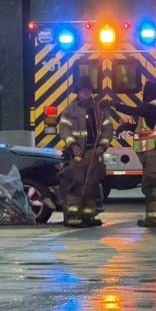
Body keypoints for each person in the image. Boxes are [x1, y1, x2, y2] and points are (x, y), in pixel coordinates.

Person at [106, 80, 156, 227]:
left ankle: (154, 219)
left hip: (153, 153)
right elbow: (143, 124)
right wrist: (126, 126)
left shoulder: (150, 107)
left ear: (150, 92)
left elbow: (134, 111)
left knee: (151, 187)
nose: (143, 93)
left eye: (145, 91)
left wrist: (114, 105)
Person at [58, 75, 114, 227]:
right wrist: (73, 146)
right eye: (83, 90)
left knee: (91, 184)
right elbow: (64, 129)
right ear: (78, 91)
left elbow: (108, 129)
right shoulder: (71, 110)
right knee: (76, 183)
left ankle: (88, 216)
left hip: (93, 152)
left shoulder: (99, 110)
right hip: (78, 152)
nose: (86, 93)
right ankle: (73, 215)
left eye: (88, 90)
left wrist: (102, 147)